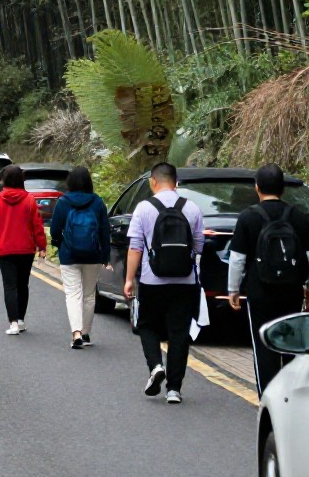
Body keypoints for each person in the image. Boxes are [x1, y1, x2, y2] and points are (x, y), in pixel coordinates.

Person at [228, 163, 309, 395]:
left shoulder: (248, 217)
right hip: (291, 291)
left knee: (263, 345)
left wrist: (233, 290)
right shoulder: (297, 216)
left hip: (259, 292)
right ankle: (290, 395)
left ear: (257, 188)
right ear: (283, 189)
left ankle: (267, 398)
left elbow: (237, 259)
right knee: (291, 342)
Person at [123, 162, 205, 404]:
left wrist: (129, 279)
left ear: (153, 181)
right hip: (185, 280)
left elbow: (135, 247)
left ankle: (156, 365)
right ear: (176, 182)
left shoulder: (144, 208)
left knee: (147, 325)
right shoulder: (191, 208)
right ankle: (174, 390)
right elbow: (199, 245)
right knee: (179, 333)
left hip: (152, 280)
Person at [49, 166, 111, 349]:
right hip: (94, 255)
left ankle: (76, 333)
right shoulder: (98, 202)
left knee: (73, 294)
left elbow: (54, 229)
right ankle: (85, 333)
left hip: (69, 255)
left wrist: (59, 243)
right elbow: (104, 231)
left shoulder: (63, 202)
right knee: (89, 295)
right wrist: (105, 255)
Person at [0, 164, 47, 335]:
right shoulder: (29, 200)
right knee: (23, 284)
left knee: (9, 286)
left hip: (5, 248)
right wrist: (41, 246)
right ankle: (21, 319)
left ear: (4, 179)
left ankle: (12, 322)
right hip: (26, 249)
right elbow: (37, 226)